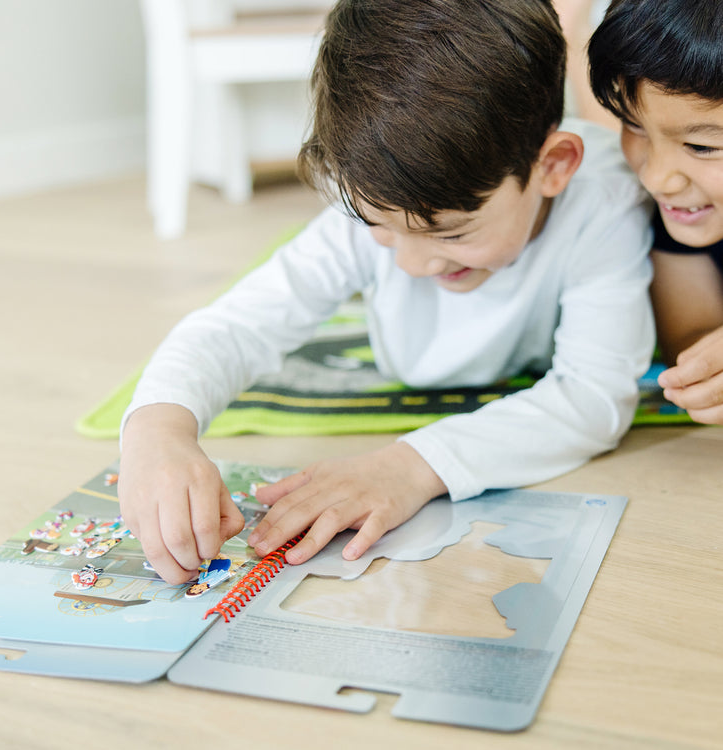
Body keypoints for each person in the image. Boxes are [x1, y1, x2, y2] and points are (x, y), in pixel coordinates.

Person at [118, 0, 654, 585]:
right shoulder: (377, 196)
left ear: (553, 166)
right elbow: (235, 325)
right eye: (379, 226)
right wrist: (158, 431)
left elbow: (593, 398)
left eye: (451, 232)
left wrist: (410, 466)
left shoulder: (607, 201)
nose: (413, 262)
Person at [575, 0, 723, 424]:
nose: (657, 178)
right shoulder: (680, 213)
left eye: (702, 146)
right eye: (632, 124)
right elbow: (692, 340)